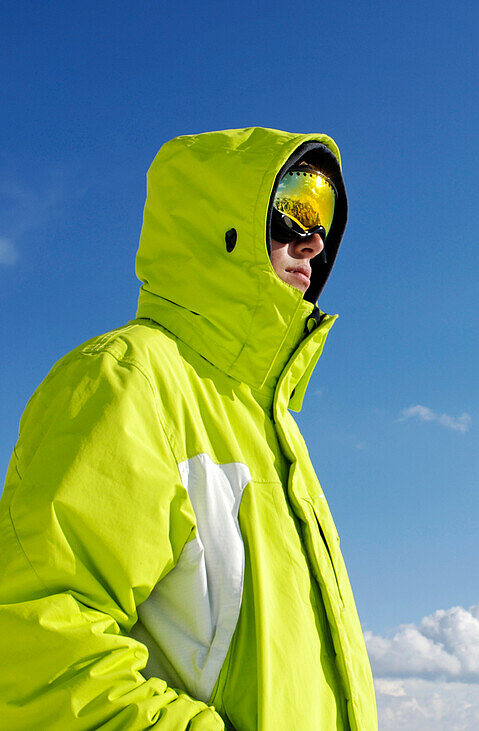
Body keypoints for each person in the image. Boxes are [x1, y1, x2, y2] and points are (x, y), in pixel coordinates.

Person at [0, 128, 377, 729]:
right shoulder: (126, 380)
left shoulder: (273, 428)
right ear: (222, 221)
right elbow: (37, 649)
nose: (312, 241)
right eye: (295, 206)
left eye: (325, 218)